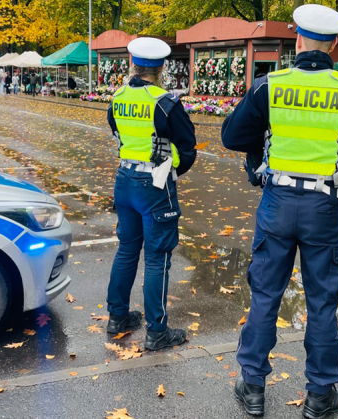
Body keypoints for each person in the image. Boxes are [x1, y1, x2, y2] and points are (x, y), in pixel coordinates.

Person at [220, 4, 338, 417]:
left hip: (277, 204)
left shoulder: (270, 86)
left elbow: (232, 135)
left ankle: (252, 387)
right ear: (334, 45)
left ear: (297, 38)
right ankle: (320, 394)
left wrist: (262, 145)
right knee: (321, 301)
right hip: (324, 208)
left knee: (265, 294)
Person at [105, 37, 197, 352]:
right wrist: (171, 168)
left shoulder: (117, 97)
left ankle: (117, 317)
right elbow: (187, 147)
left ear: (133, 63)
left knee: (127, 250)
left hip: (124, 179)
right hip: (154, 185)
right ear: (161, 68)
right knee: (157, 258)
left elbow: (117, 131)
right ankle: (157, 331)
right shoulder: (165, 102)